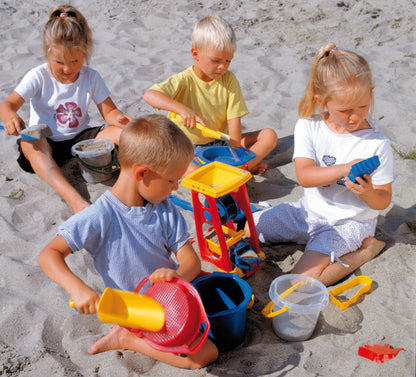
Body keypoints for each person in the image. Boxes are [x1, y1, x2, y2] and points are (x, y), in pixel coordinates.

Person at [38, 114, 219, 369]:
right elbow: (49, 254)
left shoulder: (164, 209)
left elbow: (190, 259)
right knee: (204, 356)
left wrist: (177, 275)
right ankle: (126, 337)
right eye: (171, 180)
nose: (176, 187)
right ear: (143, 173)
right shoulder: (99, 216)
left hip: (171, 296)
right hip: (139, 312)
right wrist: (76, 288)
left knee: (223, 301)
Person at [246, 43, 393, 286]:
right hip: (308, 212)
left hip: (350, 223)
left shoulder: (377, 144)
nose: (355, 116)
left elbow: (384, 199)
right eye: (345, 110)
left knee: (300, 282)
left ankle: (365, 253)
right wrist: (345, 168)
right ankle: (267, 217)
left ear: (371, 92)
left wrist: (368, 193)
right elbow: (304, 176)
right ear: (321, 100)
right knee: (248, 231)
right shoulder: (308, 126)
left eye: (363, 106)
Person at [0, 5, 131, 214]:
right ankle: (75, 200)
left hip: (81, 141)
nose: (68, 69)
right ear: (47, 52)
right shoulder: (38, 76)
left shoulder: (91, 76)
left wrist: (121, 119)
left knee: (124, 133)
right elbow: (7, 105)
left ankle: (144, 174)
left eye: (75, 61)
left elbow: (110, 113)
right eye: (59, 62)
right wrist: (10, 118)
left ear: (85, 53)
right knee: (30, 141)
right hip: (46, 143)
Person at [143, 15, 277, 175]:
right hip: (187, 148)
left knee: (269, 135)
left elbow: (234, 123)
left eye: (228, 61)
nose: (222, 67)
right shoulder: (184, 80)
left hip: (219, 142)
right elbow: (150, 95)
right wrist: (182, 109)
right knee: (193, 171)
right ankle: (241, 169)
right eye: (216, 60)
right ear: (195, 53)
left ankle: (239, 169)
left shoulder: (229, 80)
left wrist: (236, 156)